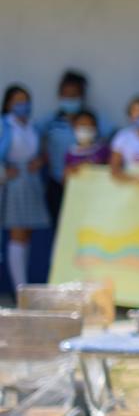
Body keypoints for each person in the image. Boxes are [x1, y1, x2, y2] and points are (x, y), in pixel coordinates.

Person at [1, 85, 50, 290]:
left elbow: (41, 152)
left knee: (25, 234)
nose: (23, 105)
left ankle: (22, 287)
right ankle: (19, 288)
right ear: (8, 103)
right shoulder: (3, 124)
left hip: (30, 181)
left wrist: (38, 162)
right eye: (18, 101)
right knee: (17, 233)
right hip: (10, 183)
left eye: (26, 100)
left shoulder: (32, 126)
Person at [41, 70, 92, 220]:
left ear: (82, 96)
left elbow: (112, 139)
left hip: (86, 184)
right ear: (60, 96)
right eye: (66, 95)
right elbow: (33, 138)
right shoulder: (50, 121)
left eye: (74, 95)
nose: (70, 99)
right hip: (57, 183)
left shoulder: (93, 120)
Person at [64, 110, 110, 176]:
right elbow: (65, 178)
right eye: (82, 125)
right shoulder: (70, 152)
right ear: (74, 127)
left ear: (95, 128)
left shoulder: (103, 149)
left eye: (89, 125)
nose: (86, 129)